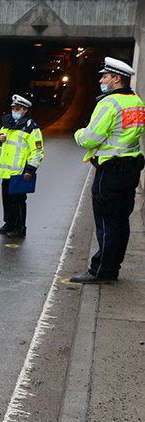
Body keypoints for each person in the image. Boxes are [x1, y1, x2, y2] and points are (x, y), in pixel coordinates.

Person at [71, 57, 145, 284]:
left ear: (116, 78)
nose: (102, 80)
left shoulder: (108, 103)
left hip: (110, 172)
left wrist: (79, 133)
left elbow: (90, 139)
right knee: (121, 221)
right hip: (131, 170)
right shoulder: (137, 101)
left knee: (106, 221)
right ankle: (113, 267)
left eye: (105, 76)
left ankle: (100, 271)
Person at [0, 94, 43, 239]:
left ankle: (20, 228)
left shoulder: (31, 129)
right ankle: (9, 223)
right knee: (7, 200)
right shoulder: (8, 125)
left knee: (18, 202)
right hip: (6, 172)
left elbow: (38, 151)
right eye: (13, 108)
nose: (14, 111)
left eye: (18, 109)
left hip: (20, 172)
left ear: (25, 110)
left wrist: (30, 170)